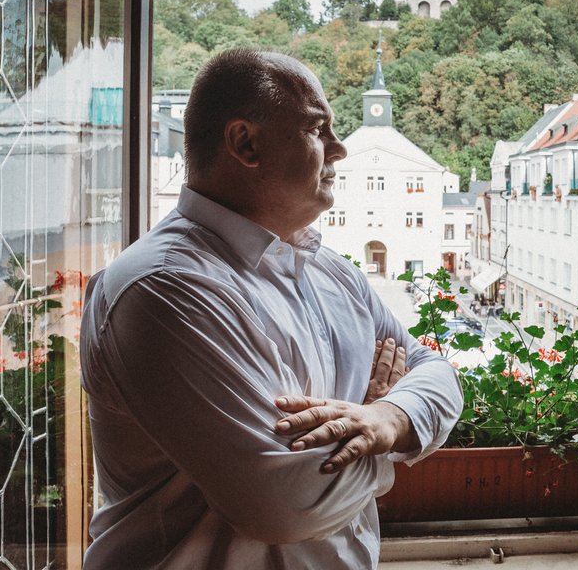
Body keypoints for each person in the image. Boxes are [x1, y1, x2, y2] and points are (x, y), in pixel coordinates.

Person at [79, 49, 462, 568]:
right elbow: (285, 505)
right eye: (317, 129)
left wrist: (387, 417)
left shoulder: (333, 273)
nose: (340, 148)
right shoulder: (163, 289)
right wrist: (387, 447)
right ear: (246, 142)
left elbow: (436, 372)